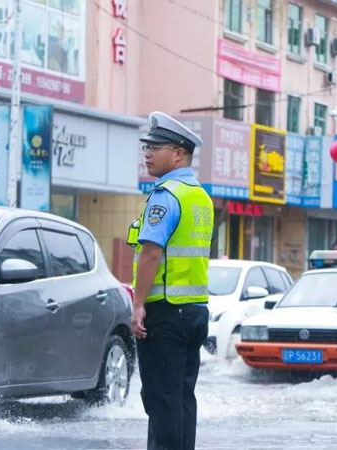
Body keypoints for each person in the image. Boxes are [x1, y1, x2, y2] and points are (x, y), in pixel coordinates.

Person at [127, 111, 213, 450]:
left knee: (161, 400)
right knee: (181, 398)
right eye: (146, 146)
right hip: (194, 311)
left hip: (164, 312)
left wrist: (137, 305)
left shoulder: (166, 196)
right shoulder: (200, 197)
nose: (147, 153)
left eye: (155, 146)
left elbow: (150, 254)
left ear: (178, 153)